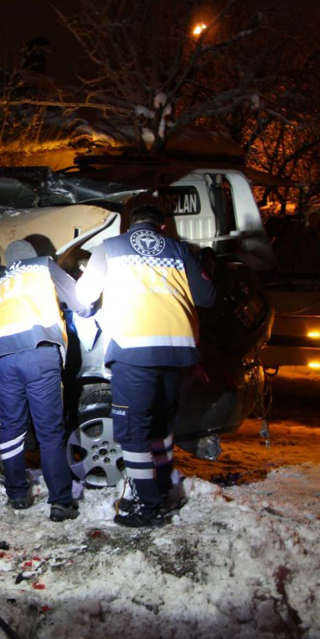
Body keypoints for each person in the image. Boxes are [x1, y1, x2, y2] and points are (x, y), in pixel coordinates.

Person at [76, 205, 216, 527]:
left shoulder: (110, 248)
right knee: (160, 425)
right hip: (178, 353)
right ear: (162, 226)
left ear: (130, 225)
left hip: (133, 350)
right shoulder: (180, 249)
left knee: (133, 433)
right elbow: (207, 297)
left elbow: (84, 296)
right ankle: (164, 487)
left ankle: (146, 507)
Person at [0, 240, 91, 521]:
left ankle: (17, 494)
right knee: (50, 432)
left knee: (12, 429)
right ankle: (60, 503)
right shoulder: (43, 267)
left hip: (2, 360)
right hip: (38, 352)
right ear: (34, 256)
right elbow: (80, 301)